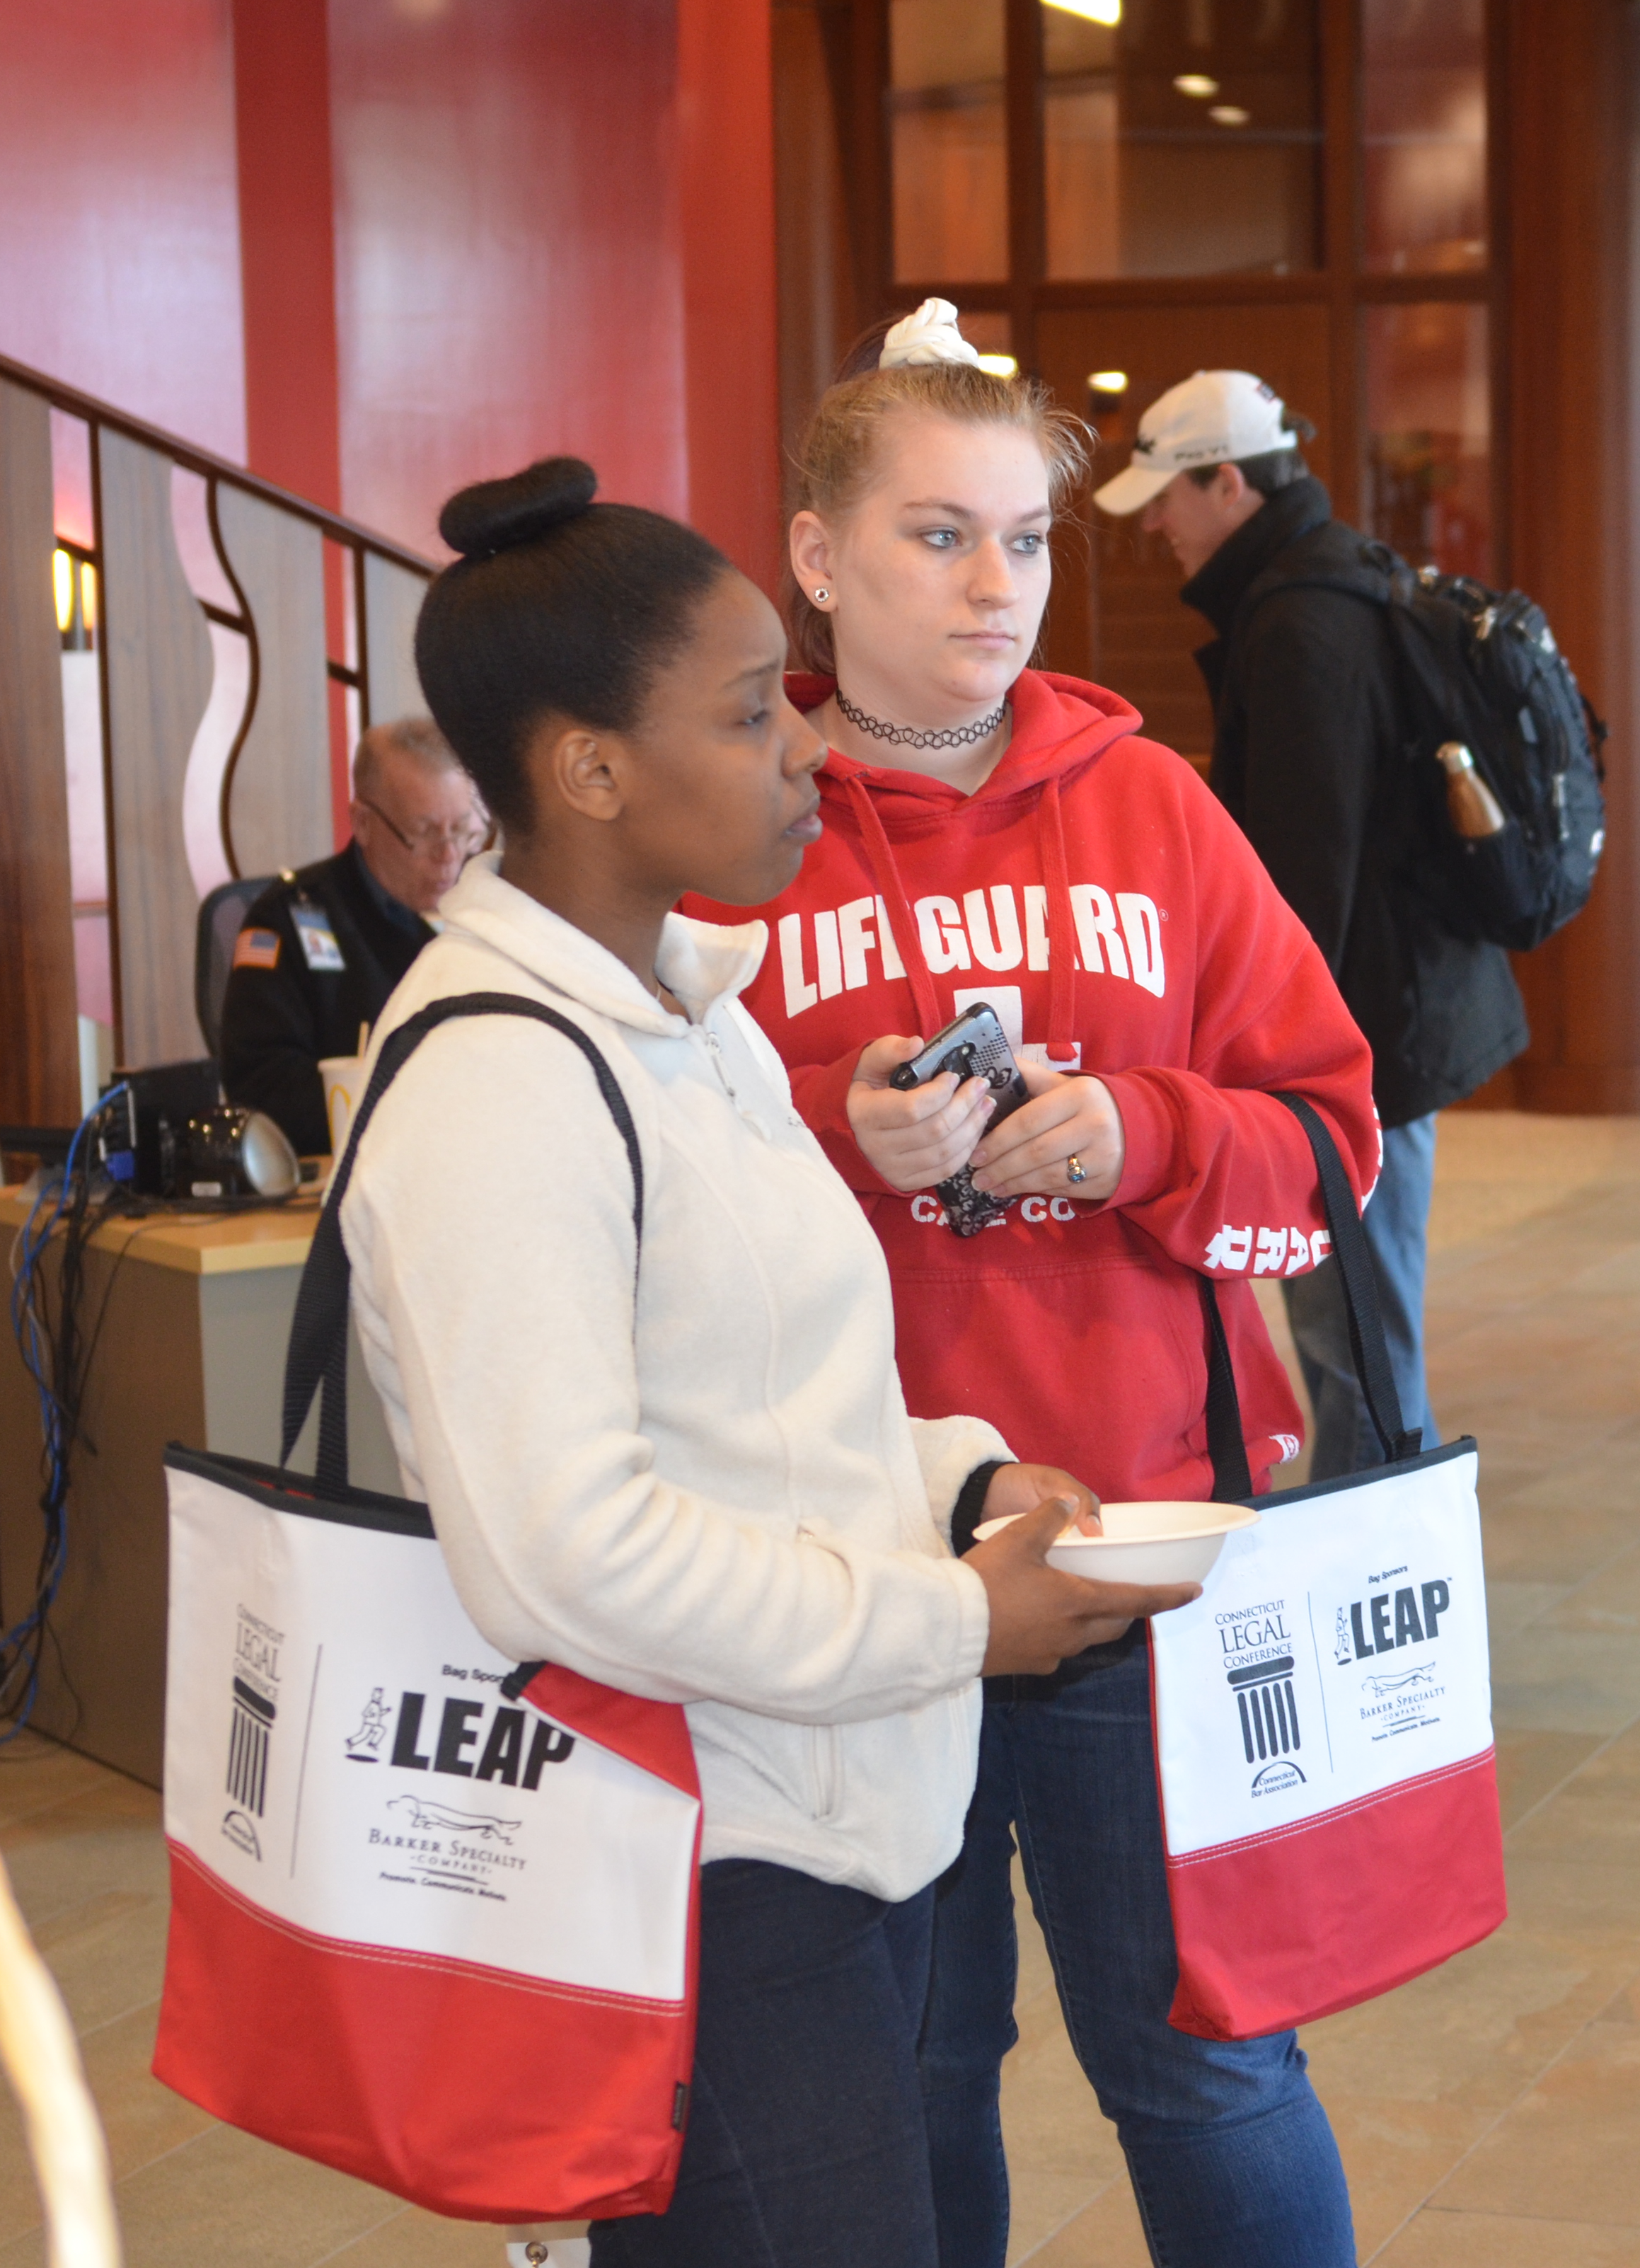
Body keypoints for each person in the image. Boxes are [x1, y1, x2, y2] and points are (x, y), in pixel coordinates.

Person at [338, 456, 1191, 2267]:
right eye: (749, 714)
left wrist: (962, 1472)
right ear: (587, 771)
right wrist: (964, 1619)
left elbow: (771, 1390)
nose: (809, 750)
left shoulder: (684, 1018)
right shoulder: (502, 1086)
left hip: (826, 1816)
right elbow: (569, 1553)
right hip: (692, 1867)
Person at [690, 302, 1380, 2268]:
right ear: (817, 559)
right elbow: (631, 1200)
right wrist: (838, 1127)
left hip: (1135, 1548)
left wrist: (1145, 1134)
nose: (996, 586)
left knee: (1211, 2061)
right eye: (937, 535)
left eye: (1028, 539)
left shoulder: (1150, 804)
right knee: (909, 2071)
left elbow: (1329, 1153)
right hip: (844, 1579)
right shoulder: (728, 833)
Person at [1098, 369, 1524, 1470]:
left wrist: (1275, 1062)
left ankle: (1377, 1566)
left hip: (1359, 1040)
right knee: (1360, 1321)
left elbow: (1302, 877)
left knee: (1357, 1338)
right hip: (1394, 1009)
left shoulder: (1299, 623)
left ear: (1227, 484)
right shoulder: (1331, 584)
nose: (1156, 526)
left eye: (1168, 498)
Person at [217, 715, 488, 1153]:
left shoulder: (489, 917)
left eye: (462, 831)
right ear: (363, 823)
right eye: (424, 833)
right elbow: (262, 1087)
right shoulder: (290, 921)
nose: (450, 857)